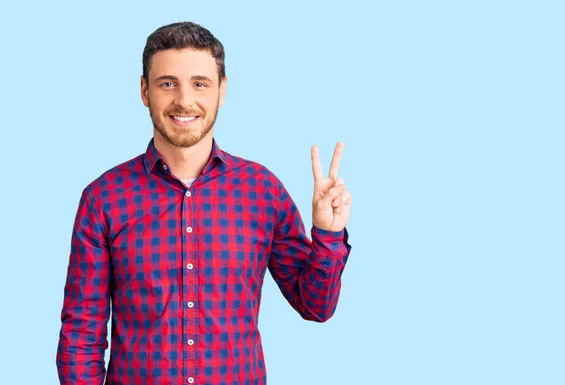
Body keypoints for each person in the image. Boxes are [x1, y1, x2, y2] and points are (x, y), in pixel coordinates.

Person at [56, 21, 352, 385]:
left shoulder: (262, 191)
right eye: (168, 83)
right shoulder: (104, 199)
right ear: (144, 90)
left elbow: (316, 306)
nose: (184, 100)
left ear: (221, 91)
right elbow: (81, 337)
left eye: (200, 83)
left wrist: (328, 233)